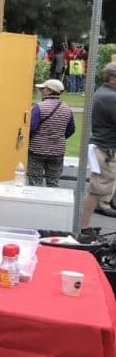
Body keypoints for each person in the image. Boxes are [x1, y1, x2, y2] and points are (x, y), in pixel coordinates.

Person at [81, 63, 116, 234]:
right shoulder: (110, 97)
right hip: (106, 149)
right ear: (112, 79)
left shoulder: (105, 93)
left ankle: (84, 226)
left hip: (104, 148)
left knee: (98, 189)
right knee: (96, 190)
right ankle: (83, 227)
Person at [27, 79, 75, 187]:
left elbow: (31, 127)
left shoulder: (38, 107)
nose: (40, 91)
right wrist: (58, 137)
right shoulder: (67, 109)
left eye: (42, 89)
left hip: (36, 150)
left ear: (49, 91)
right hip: (57, 151)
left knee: (35, 183)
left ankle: (36, 203)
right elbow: (71, 129)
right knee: (53, 183)